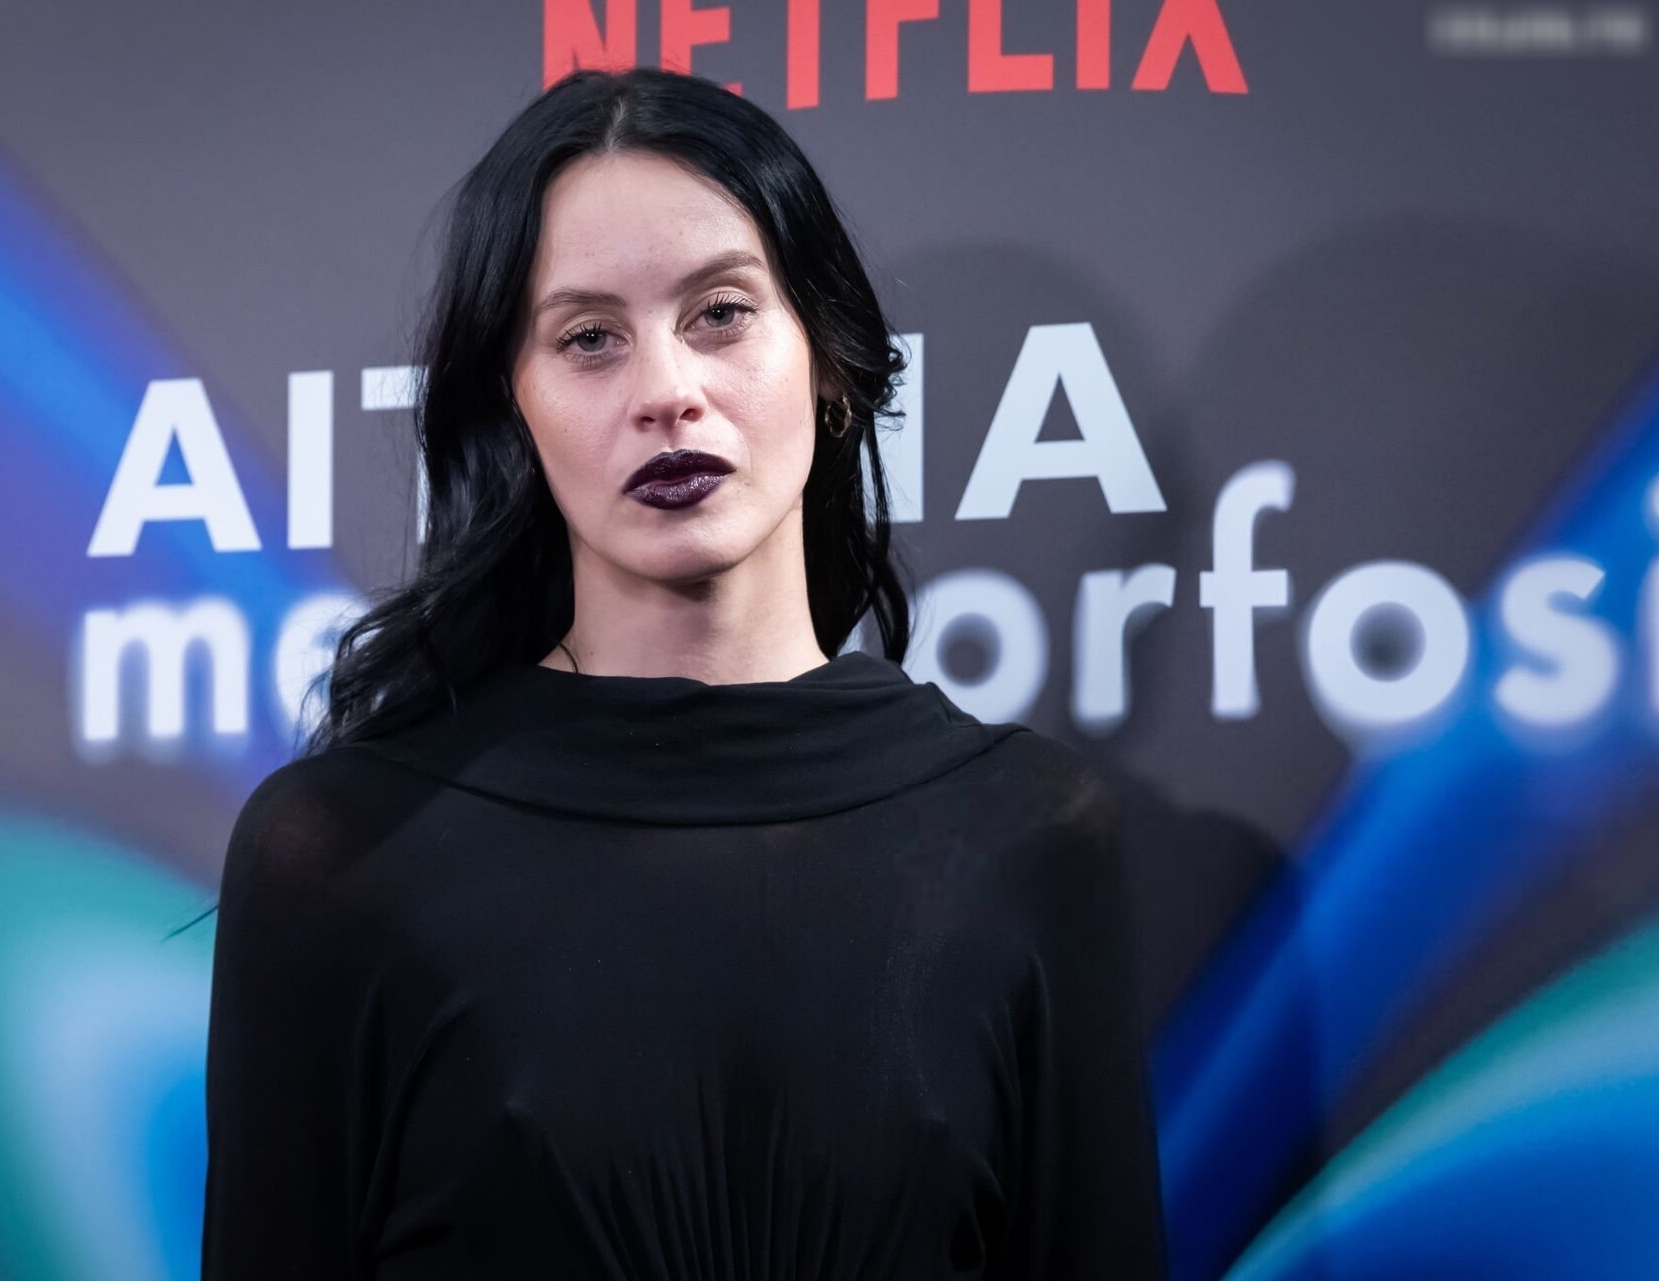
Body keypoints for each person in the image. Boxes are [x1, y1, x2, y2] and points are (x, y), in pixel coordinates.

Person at [200, 66, 1168, 1280]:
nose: (666, 393)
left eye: (721, 313)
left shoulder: (1032, 833)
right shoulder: (340, 854)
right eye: (588, 339)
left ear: (829, 360)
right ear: (515, 404)